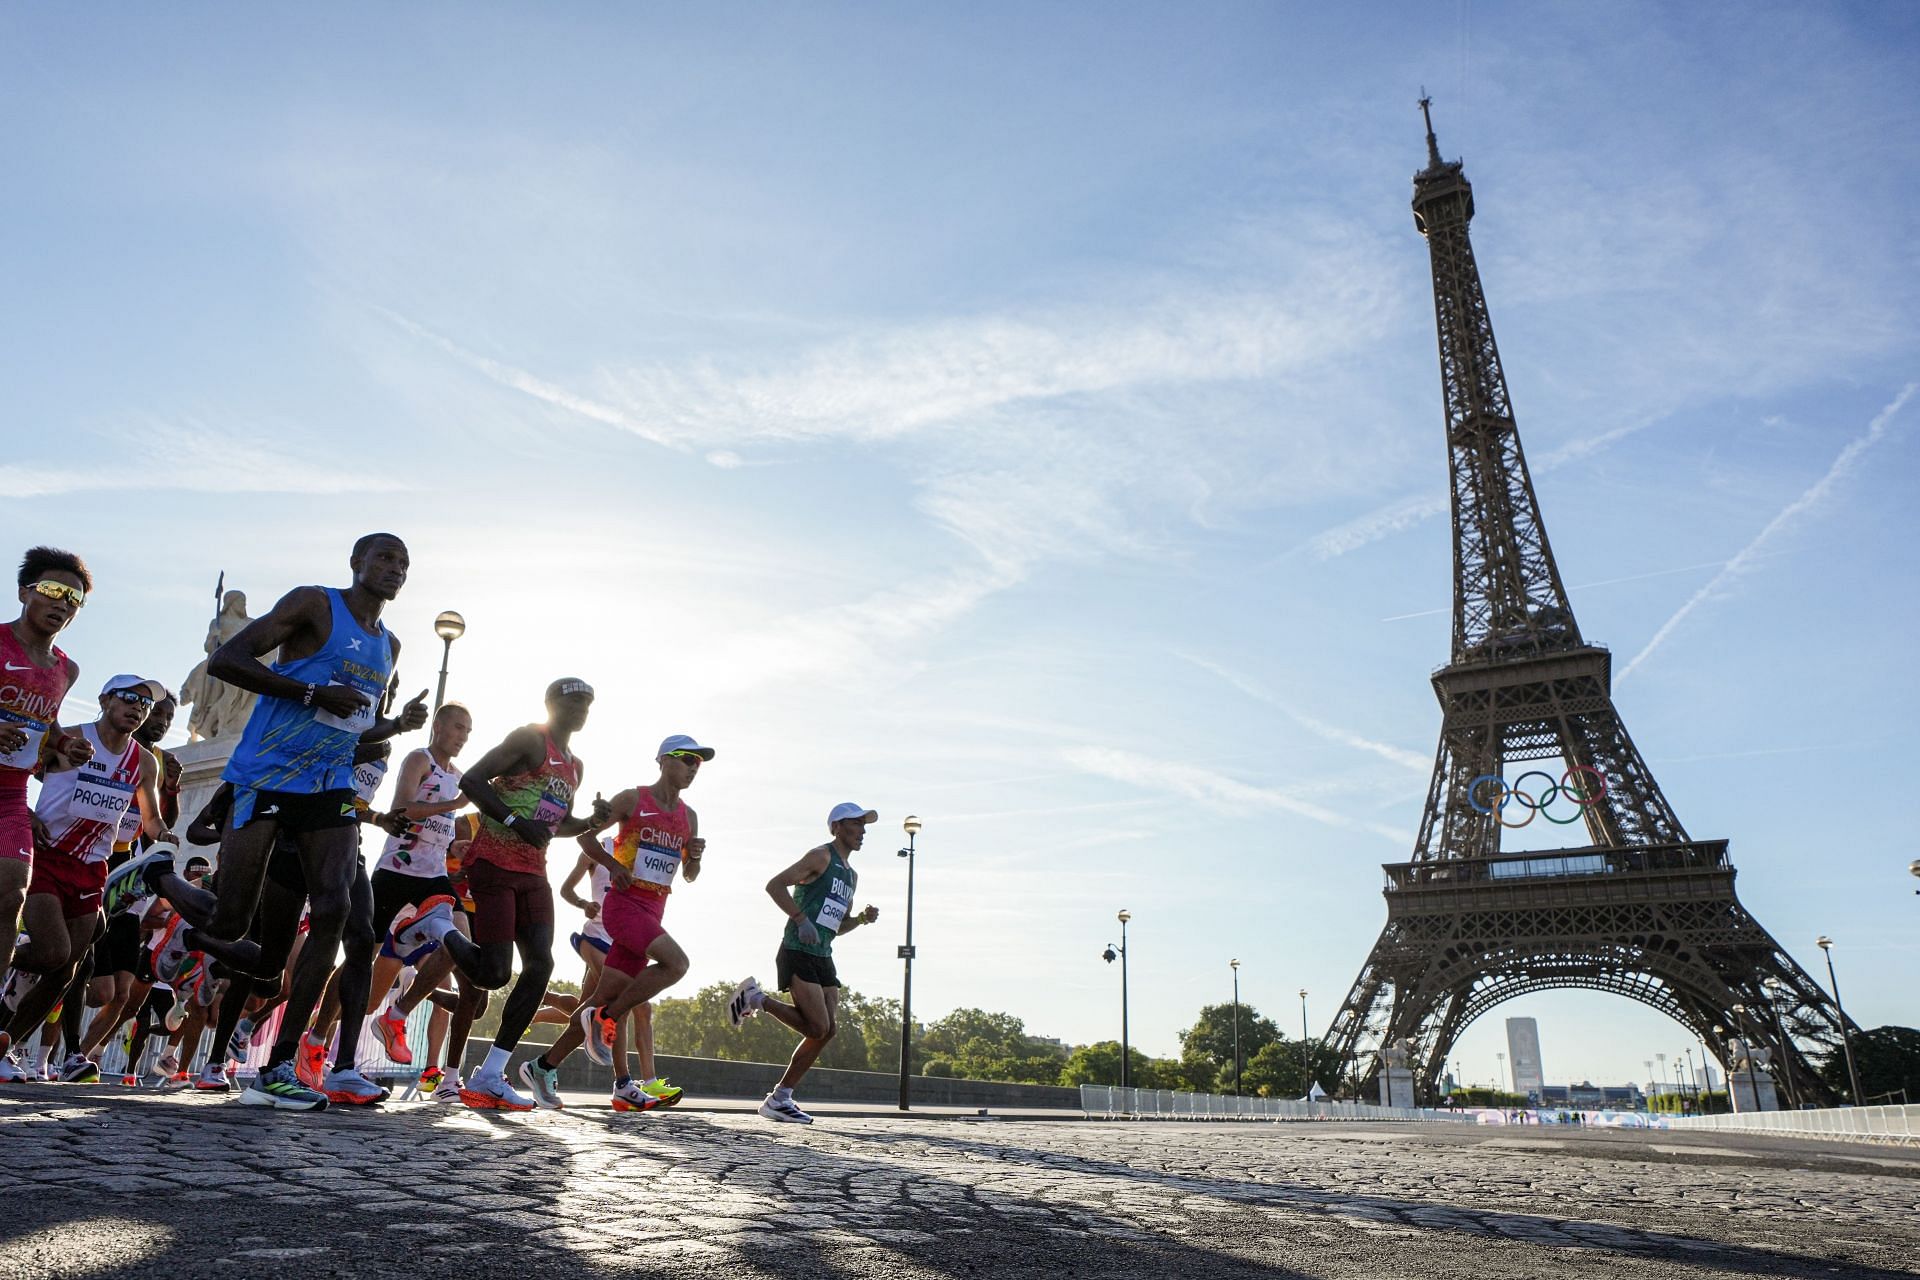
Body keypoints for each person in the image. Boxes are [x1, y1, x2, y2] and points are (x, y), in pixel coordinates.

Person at [169, 533, 426, 1111]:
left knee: (335, 909)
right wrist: (310, 688)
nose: (394, 568)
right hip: (265, 774)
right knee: (234, 924)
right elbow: (227, 660)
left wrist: (396, 726)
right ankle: (160, 872)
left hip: (328, 783)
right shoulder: (314, 604)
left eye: (404, 562)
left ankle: (279, 1065)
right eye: (383, 557)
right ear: (356, 562)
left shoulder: (391, 645)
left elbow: (351, 725)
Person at [392, 679, 604, 1111]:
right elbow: (472, 780)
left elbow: (553, 823)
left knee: (541, 964)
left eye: (587, 703)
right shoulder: (530, 739)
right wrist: (509, 818)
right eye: (573, 701)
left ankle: (491, 1073)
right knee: (492, 975)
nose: (581, 708)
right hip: (493, 864)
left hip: (534, 872)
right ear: (550, 704)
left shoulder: (574, 765)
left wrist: (587, 822)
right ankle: (437, 925)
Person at [523, 735, 711, 1111]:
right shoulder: (633, 799)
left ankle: (542, 1067)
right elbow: (585, 836)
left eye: (699, 763)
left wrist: (695, 857)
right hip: (623, 908)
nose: (693, 767)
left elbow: (688, 874)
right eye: (687, 758)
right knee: (677, 964)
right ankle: (605, 1020)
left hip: (654, 909)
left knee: (602, 998)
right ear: (663, 760)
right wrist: (612, 866)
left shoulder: (688, 817)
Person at [0, 675, 170, 1083]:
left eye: (144, 706)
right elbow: (13, 776)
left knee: (66, 968)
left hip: (93, 868)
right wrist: (25, 814)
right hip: (46, 854)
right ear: (105, 699)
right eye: (129, 699)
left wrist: (165, 836)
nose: (136, 709)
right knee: (55, 951)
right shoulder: (70, 738)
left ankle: (9, 1043)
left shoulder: (144, 762)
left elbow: (150, 819)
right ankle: (7, 956)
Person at [728, 802, 881, 1124]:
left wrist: (861, 920)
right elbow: (775, 884)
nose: (863, 831)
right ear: (837, 826)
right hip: (797, 949)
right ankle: (757, 999)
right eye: (857, 823)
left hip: (824, 955)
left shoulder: (852, 876)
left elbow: (837, 927)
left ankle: (781, 1098)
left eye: (865, 825)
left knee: (827, 1031)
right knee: (817, 1026)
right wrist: (800, 919)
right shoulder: (820, 856)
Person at [1, 548, 92, 1003]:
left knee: (10, 893)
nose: (62, 604)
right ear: (23, 592)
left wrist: (63, 746)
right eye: (53, 591)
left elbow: (46, 727)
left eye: (74, 600)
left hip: (11, 796)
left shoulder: (66, 670)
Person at [365, 703, 472, 1067]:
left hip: (433, 876)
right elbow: (401, 808)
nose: (463, 737)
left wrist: (452, 843)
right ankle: (317, 1036)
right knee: (364, 976)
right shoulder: (419, 759)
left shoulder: (458, 774)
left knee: (462, 943)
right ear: (439, 726)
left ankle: (396, 1015)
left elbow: (439, 823)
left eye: (468, 731)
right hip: (396, 870)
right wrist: (455, 803)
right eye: (458, 728)